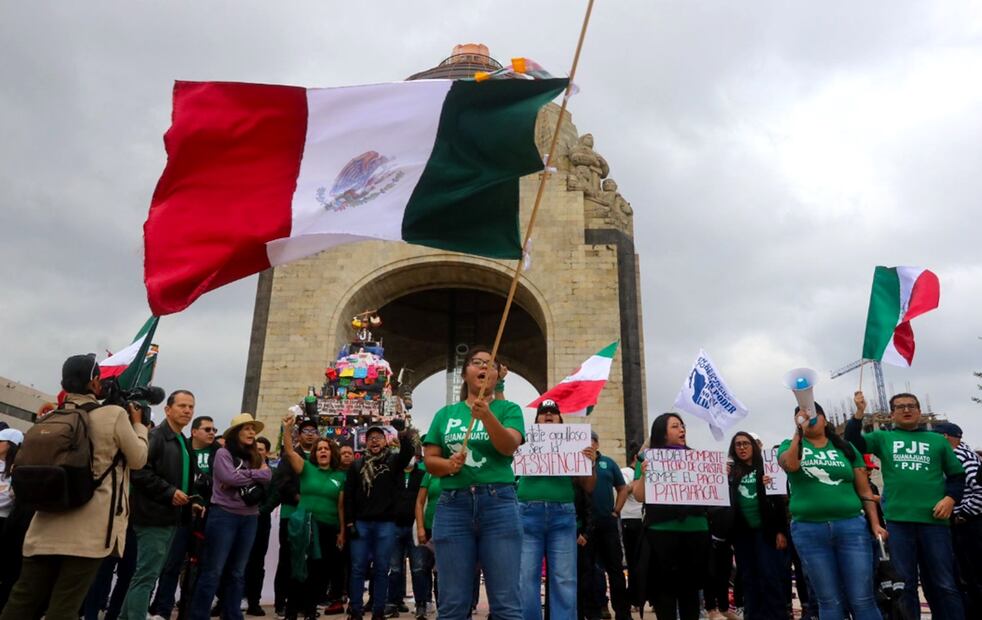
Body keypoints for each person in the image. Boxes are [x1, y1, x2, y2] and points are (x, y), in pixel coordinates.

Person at [0, 354, 149, 620]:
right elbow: (138, 458)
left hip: (43, 525)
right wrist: (139, 425)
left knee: (22, 600)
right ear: (94, 382)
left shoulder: (51, 416)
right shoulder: (113, 414)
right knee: (64, 605)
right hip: (88, 532)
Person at [422, 346, 525, 620]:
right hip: (453, 506)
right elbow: (430, 459)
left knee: (506, 603)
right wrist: (448, 465)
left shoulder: (508, 409)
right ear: (465, 373)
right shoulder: (445, 414)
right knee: (453, 603)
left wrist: (487, 416)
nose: (483, 367)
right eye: (477, 363)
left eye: (490, 365)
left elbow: (508, 447)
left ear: (496, 376)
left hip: (499, 504)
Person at [846, 391, 965, 619]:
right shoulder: (883, 437)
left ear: (919, 411)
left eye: (911, 405)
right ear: (892, 414)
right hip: (899, 522)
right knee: (904, 586)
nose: (906, 410)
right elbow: (854, 443)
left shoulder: (938, 441)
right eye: (900, 407)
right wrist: (859, 413)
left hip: (935, 522)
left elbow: (957, 476)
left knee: (944, 584)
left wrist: (950, 499)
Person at [780, 402, 885, 620]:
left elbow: (864, 489)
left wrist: (875, 524)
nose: (809, 418)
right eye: (802, 415)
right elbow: (790, 465)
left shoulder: (846, 448)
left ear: (825, 419)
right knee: (828, 599)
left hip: (851, 527)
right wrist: (798, 431)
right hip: (809, 530)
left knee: (862, 598)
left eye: (813, 414)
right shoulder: (788, 445)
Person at [121, 389, 200, 620]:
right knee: (146, 576)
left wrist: (190, 501)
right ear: (168, 409)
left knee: (147, 575)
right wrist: (169, 492)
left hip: (172, 518)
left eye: (191, 407)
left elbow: (182, 479)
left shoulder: (183, 442)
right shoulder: (156, 437)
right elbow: (138, 472)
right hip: (153, 517)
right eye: (182, 406)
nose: (187, 411)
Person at [517, 399, 597, 620]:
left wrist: (589, 462)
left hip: (562, 515)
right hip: (527, 513)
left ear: (561, 420)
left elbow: (588, 486)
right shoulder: (524, 439)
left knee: (564, 579)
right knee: (526, 578)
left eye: (554, 412)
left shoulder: (574, 444)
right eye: (544, 413)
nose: (549, 415)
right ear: (536, 421)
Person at [188, 413, 270, 620]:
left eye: (253, 428)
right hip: (223, 516)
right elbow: (227, 477)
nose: (252, 432)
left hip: (250, 518)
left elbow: (268, 475)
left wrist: (239, 477)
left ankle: (233, 615)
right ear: (236, 433)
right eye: (247, 428)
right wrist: (251, 475)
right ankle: (198, 615)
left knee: (238, 572)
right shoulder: (223, 454)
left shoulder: (256, 456)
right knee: (213, 571)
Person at [629, 413, 709, 620]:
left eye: (682, 426)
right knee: (664, 594)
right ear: (662, 433)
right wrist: (646, 474)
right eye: (675, 426)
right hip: (661, 535)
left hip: (695, 533)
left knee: (690, 594)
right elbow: (639, 496)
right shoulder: (647, 459)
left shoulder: (696, 457)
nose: (682, 429)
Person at [148, 414, 221, 620]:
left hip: (207, 517)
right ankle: (162, 609)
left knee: (197, 567)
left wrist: (202, 484)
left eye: (214, 430)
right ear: (194, 431)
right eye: (207, 429)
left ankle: (188, 611)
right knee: (172, 564)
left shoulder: (219, 452)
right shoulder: (182, 447)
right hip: (182, 514)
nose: (212, 433)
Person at [344, 424, 414, 620]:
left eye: (379, 437)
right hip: (361, 523)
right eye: (371, 437)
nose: (374, 440)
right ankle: (356, 610)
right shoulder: (357, 465)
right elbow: (348, 495)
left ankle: (378, 611)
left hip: (386, 524)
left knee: (383, 569)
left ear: (385, 441)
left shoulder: (393, 461)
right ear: (366, 442)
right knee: (357, 568)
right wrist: (349, 522)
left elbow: (408, 452)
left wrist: (401, 434)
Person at [280, 415, 347, 620]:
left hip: (329, 528)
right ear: (315, 454)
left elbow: (341, 507)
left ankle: (310, 611)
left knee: (319, 572)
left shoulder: (340, 476)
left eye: (326, 449)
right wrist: (287, 429)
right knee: (298, 568)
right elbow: (289, 451)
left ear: (332, 453)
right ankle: (292, 611)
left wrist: (342, 532)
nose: (323, 451)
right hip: (306, 527)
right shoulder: (306, 469)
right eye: (319, 449)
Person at [727, 431, 788, 619]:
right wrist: (724, 479)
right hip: (742, 534)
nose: (742, 447)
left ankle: (777, 615)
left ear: (753, 446)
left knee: (770, 576)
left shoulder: (767, 468)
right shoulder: (731, 474)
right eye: (738, 444)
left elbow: (780, 503)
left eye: (746, 443)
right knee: (748, 578)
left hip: (766, 532)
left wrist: (781, 531)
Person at [933, 422, 982, 616]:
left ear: (945, 437)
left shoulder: (959, 456)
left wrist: (964, 514)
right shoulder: (964, 454)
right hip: (966, 521)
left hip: (969, 524)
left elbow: (979, 489)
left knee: (973, 573)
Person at [272, 418, 320, 615]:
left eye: (313, 431)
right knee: (288, 559)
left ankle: (305, 604)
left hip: (314, 516)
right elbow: (281, 481)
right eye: (305, 430)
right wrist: (298, 497)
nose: (310, 434)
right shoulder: (289, 456)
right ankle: (281, 603)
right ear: (299, 435)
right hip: (292, 513)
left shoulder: (320, 456)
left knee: (309, 561)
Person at [586, 429, 630, 620]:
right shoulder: (577, 463)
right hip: (586, 525)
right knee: (590, 570)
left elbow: (622, 488)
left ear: (597, 443)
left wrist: (616, 511)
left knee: (615, 570)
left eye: (590, 440)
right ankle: (596, 609)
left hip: (607, 522)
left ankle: (622, 612)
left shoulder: (609, 463)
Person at [386, 450, 425, 617]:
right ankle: (393, 603)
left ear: (416, 457)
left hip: (414, 527)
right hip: (395, 527)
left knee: (418, 568)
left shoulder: (422, 474)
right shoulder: (393, 474)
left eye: (412, 455)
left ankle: (421, 604)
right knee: (394, 568)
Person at [244, 435, 275, 617]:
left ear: (267, 452)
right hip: (240, 518)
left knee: (256, 563)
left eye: (261, 449)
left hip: (261, 520)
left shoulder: (274, 473)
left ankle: (254, 602)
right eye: (254, 448)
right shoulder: (242, 469)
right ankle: (226, 600)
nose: (257, 452)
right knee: (236, 562)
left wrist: (261, 511)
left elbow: (274, 496)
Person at [618, 443, 644, 614]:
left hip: (644, 520)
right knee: (634, 562)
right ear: (636, 458)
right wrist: (636, 481)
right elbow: (625, 491)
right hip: (630, 521)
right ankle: (634, 598)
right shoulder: (625, 472)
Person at [0, 428, 24, 610]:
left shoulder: (18, 470)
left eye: (1, 441)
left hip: (5, 523)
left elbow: (9, 498)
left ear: (11, 445)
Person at [413, 469, 442, 619]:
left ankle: (442, 609)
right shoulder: (430, 473)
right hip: (428, 528)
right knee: (420, 568)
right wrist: (420, 528)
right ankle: (421, 606)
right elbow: (419, 502)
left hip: (447, 531)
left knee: (441, 572)